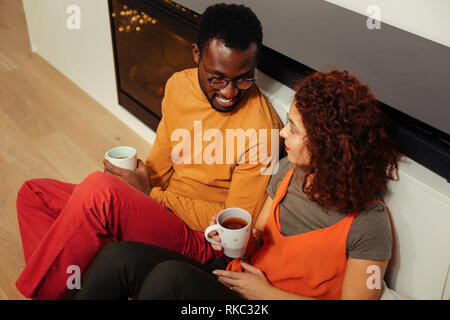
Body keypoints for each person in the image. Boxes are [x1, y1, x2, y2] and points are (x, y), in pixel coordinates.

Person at [15, 3, 282, 299]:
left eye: (243, 79)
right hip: (161, 211)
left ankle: (44, 292)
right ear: (197, 55)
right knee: (34, 195)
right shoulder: (178, 86)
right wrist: (130, 180)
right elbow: (159, 165)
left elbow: (233, 228)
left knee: (98, 192)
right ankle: (69, 289)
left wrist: (147, 195)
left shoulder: (263, 129)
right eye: (217, 78)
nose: (229, 92)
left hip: (201, 241)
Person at [74, 70, 402, 300]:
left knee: (168, 279)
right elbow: (259, 236)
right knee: (120, 258)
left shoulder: (369, 224)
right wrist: (236, 240)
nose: (283, 134)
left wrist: (269, 295)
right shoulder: (291, 171)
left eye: (294, 128)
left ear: (328, 144)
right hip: (235, 280)